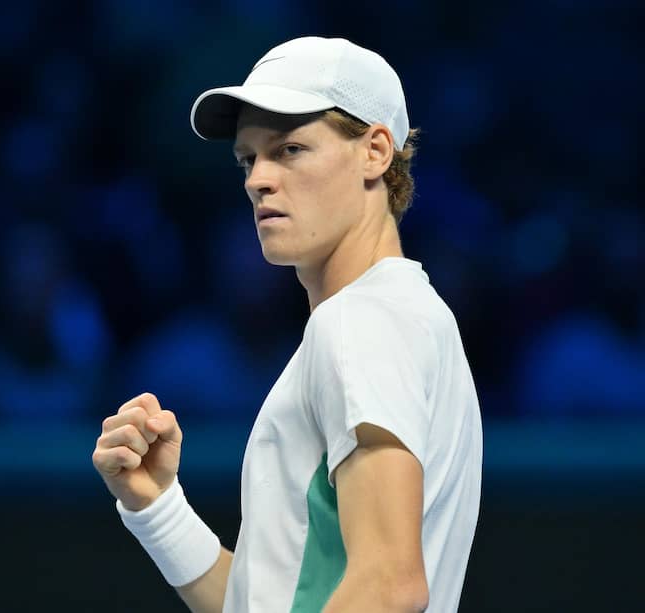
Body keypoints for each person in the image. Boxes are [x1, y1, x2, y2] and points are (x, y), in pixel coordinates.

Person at [92, 36, 482, 613]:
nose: (258, 180)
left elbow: (389, 587)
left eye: (290, 149)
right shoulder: (399, 315)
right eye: (249, 159)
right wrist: (159, 509)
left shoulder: (360, 321)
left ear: (375, 152)